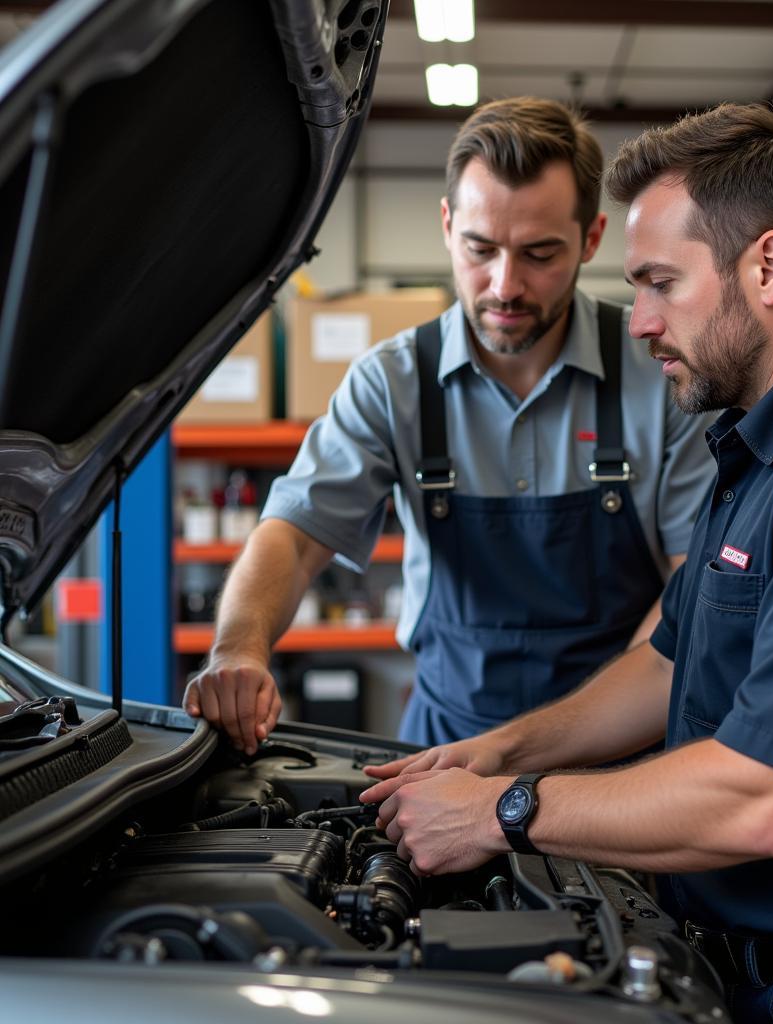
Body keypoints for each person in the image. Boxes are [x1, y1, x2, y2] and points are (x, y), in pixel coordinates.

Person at [360, 102, 773, 1021]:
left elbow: (768, 802)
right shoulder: (761, 444)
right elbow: (667, 660)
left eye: (660, 284)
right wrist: (498, 749)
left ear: (768, 266)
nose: (638, 324)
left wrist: (502, 810)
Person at [183, 97, 715, 752]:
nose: (505, 285)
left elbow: (691, 589)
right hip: (445, 747)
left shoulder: (661, 377)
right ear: (446, 226)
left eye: (539, 253)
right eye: (480, 248)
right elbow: (293, 538)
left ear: (592, 238)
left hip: (615, 748)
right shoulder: (392, 383)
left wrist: (560, 740)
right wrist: (238, 648)